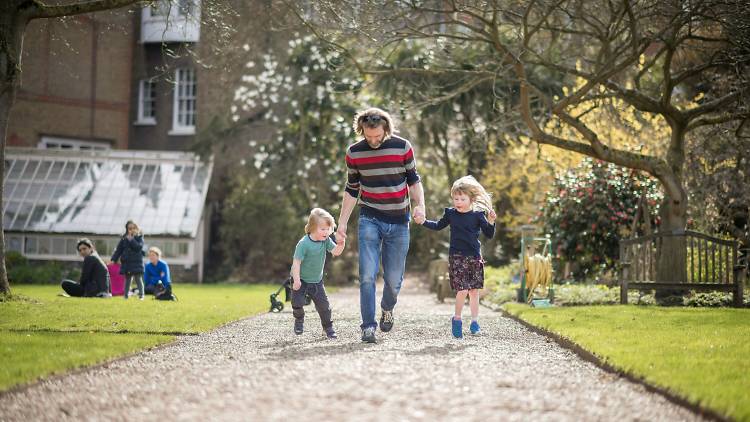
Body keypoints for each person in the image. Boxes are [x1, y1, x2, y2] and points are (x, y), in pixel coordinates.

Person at [335, 107, 426, 344]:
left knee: (394, 281)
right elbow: (352, 189)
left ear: (386, 128)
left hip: (399, 221)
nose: (373, 141)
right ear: (362, 130)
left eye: (377, 136)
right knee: (366, 275)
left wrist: (421, 206)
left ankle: (387, 307)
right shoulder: (354, 152)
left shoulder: (402, 146)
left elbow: (413, 180)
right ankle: (367, 327)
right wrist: (342, 223)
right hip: (370, 218)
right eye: (368, 136)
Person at [419, 175, 496, 338]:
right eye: (455, 198)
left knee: (474, 291)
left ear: (471, 199)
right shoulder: (451, 214)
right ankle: (457, 319)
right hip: (457, 257)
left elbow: (489, 234)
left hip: (474, 257)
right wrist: (423, 221)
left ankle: (475, 322)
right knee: (462, 290)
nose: (458, 202)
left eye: (462, 198)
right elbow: (438, 225)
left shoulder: (478, 215)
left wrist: (490, 221)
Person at [291, 208, 345, 339]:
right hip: (301, 280)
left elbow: (336, 252)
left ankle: (328, 327)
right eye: (323, 229)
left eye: (328, 229)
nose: (326, 232)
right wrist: (297, 280)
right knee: (297, 303)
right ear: (312, 227)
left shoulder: (325, 241)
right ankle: (299, 319)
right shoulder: (303, 244)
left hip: (317, 281)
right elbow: (296, 263)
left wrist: (341, 243)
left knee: (324, 307)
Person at [110, 220, 145, 300]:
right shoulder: (123, 239)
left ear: (137, 229)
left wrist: (132, 240)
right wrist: (113, 259)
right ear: (127, 230)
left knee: (138, 279)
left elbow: (138, 247)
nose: (132, 230)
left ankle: (141, 295)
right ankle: (125, 295)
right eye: (130, 228)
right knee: (127, 279)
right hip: (127, 262)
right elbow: (118, 250)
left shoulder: (140, 238)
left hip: (137, 262)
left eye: (134, 228)